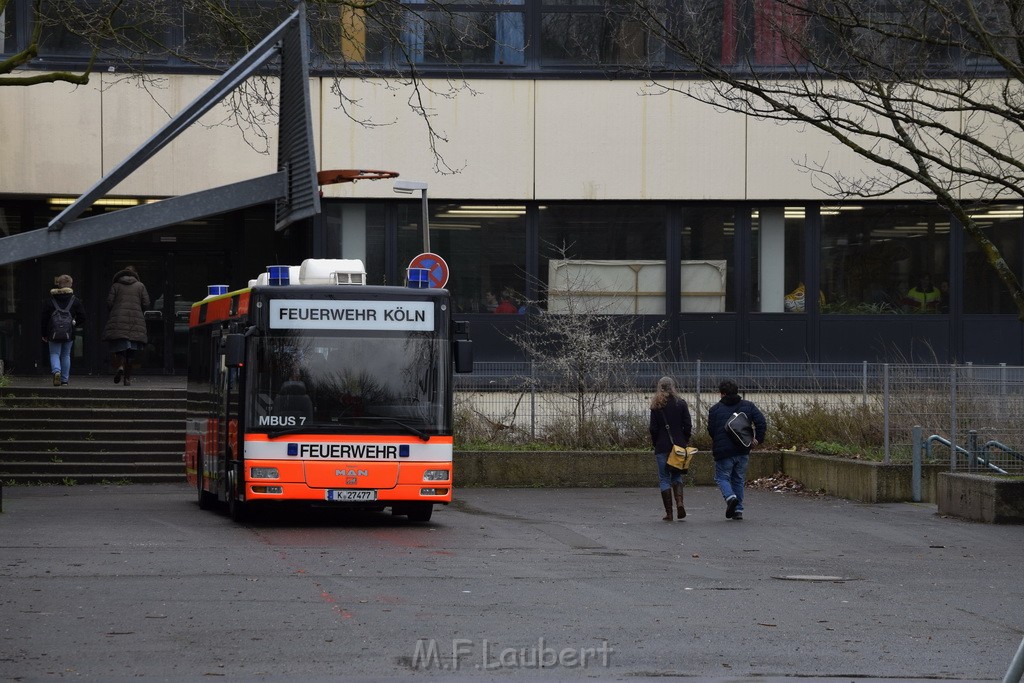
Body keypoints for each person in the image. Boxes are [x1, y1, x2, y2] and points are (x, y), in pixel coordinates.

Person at [707, 379, 767, 521]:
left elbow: (711, 431)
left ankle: (730, 497)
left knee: (721, 477)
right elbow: (761, 422)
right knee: (738, 479)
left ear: (722, 393)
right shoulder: (748, 406)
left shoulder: (715, 410)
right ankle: (738, 510)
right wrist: (757, 439)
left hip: (723, 452)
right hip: (743, 449)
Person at [648, 375, 692, 521]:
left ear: (659, 387)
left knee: (664, 478)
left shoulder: (656, 405)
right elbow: (688, 425)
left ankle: (669, 513)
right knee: (677, 475)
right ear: (673, 387)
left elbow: (653, 429)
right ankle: (680, 502)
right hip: (678, 446)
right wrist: (684, 440)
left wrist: (656, 443)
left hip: (662, 446)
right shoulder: (681, 403)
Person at [102, 266, 150, 386]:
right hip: (135, 321)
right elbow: (146, 303)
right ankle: (127, 379)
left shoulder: (116, 286)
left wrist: (115, 310)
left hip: (118, 319)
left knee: (120, 347)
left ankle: (120, 366)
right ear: (135, 274)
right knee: (131, 351)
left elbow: (109, 303)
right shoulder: (140, 286)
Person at [39, 274, 87, 386]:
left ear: (58, 284)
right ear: (70, 284)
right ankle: (64, 380)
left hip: (53, 333)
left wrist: (44, 333)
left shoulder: (50, 301)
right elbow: (83, 317)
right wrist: (74, 323)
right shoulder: (75, 300)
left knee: (54, 353)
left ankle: (56, 371)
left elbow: (44, 319)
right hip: (68, 333)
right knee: (66, 355)